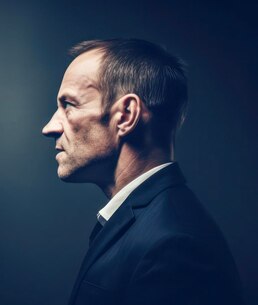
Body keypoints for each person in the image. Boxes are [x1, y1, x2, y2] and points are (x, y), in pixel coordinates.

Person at [42, 39, 243, 305]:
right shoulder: (149, 225)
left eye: (69, 104)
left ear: (126, 115)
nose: (49, 127)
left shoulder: (173, 247)